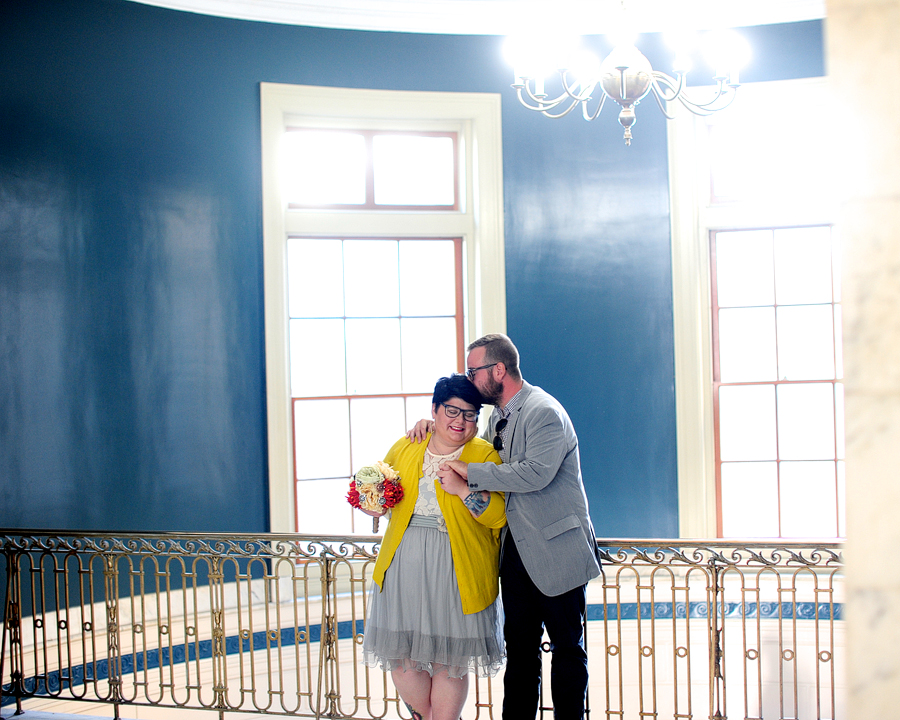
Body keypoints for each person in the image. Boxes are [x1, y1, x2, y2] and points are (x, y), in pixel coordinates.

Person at [412, 334, 601, 720]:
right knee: (520, 655)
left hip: (557, 551)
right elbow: (466, 445)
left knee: (567, 651)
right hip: (513, 555)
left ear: (498, 370)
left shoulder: (543, 410)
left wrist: (471, 473)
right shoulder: (498, 416)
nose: (470, 378)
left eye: (473, 370)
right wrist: (429, 426)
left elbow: (535, 474)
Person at [358, 374, 507, 720]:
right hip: (402, 567)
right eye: (452, 411)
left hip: (458, 569)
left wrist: (462, 490)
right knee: (403, 660)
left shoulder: (484, 454)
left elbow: (499, 516)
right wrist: (373, 505)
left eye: (470, 414)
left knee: (449, 662)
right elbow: (384, 495)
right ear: (435, 410)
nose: (460, 421)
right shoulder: (408, 445)